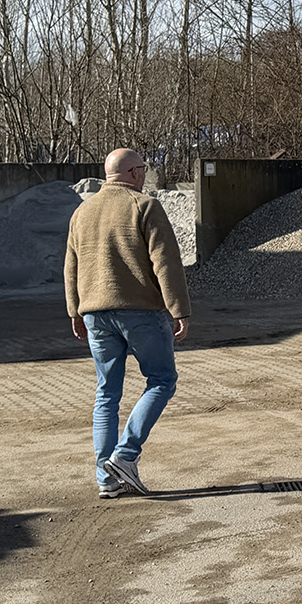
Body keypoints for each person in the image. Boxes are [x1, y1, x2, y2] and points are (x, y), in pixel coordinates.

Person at [65, 149, 190, 498]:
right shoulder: (144, 206)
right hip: (140, 313)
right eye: (143, 169)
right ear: (134, 172)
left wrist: (74, 310)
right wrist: (179, 308)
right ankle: (125, 455)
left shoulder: (82, 211)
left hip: (95, 314)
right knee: (162, 380)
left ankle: (107, 480)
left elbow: (70, 266)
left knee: (106, 393)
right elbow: (166, 261)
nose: (145, 174)